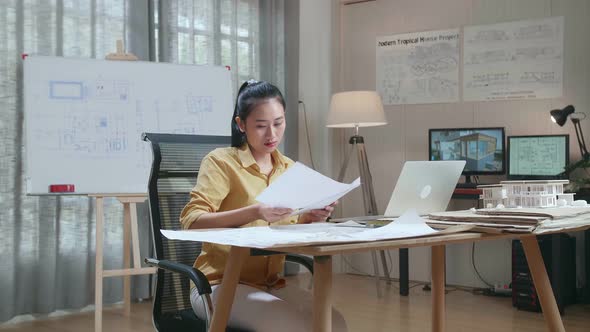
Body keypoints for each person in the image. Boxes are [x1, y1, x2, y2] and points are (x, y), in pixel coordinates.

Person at [180, 79, 347, 332]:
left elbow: (288, 223)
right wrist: (255, 210)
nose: (272, 135)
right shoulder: (221, 162)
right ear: (241, 124)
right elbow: (192, 221)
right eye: (260, 126)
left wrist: (312, 216)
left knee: (334, 323)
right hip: (219, 285)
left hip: (272, 284)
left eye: (278, 123)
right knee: (293, 326)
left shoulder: (289, 168)